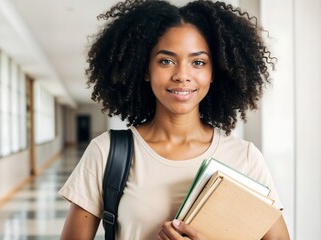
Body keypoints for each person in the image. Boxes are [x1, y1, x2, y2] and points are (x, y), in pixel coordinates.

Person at [59, 0, 290, 239]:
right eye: (166, 61)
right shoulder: (106, 153)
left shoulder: (245, 158)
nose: (182, 75)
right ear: (145, 69)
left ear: (214, 73)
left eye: (198, 62)